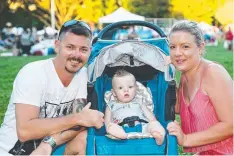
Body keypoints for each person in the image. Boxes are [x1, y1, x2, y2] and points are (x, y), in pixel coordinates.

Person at [0, 19, 105, 155]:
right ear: (57, 45)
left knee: (82, 137)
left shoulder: (84, 76)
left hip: (50, 149)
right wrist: (78, 117)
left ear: (90, 51)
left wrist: (49, 143)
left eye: (83, 49)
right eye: (70, 47)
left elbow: (79, 125)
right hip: (12, 152)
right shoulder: (33, 73)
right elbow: (25, 131)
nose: (76, 55)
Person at [166, 20, 233, 155]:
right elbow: (178, 108)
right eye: (173, 47)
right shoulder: (185, 76)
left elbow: (231, 125)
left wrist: (186, 139)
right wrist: (165, 73)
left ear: (200, 48)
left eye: (185, 46)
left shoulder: (213, 73)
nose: (177, 53)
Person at [105, 69, 165, 145]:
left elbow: (151, 118)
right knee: (110, 127)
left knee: (155, 124)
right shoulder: (111, 105)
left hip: (142, 126)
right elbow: (107, 122)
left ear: (136, 89)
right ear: (114, 93)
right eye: (120, 88)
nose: (126, 90)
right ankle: (121, 135)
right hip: (121, 127)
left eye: (130, 87)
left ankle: (159, 136)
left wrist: (153, 123)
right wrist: (109, 127)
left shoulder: (139, 101)